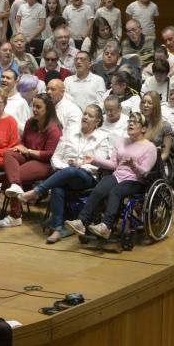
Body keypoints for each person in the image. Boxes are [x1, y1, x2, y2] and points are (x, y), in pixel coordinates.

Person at [18, 104, 109, 243]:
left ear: (97, 122)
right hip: (64, 173)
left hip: (87, 178)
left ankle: (37, 191)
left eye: (90, 116)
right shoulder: (70, 131)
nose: (85, 117)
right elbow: (55, 157)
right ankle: (57, 229)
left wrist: (79, 166)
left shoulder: (102, 138)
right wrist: (65, 168)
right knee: (58, 187)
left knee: (72, 172)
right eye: (85, 113)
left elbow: (97, 165)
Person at [66, 112, 157, 241]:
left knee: (115, 191)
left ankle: (106, 226)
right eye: (129, 121)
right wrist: (94, 160)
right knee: (100, 188)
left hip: (136, 180)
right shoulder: (121, 142)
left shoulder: (150, 147)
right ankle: (81, 222)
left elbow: (145, 172)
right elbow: (113, 164)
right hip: (118, 175)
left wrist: (134, 166)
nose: (130, 123)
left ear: (143, 128)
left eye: (135, 122)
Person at [0, 94, 61, 227]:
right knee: (9, 153)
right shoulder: (30, 122)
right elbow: (23, 142)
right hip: (28, 156)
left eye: (38, 107)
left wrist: (29, 151)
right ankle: (15, 185)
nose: (35, 110)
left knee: (14, 175)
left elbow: (50, 155)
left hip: (45, 163)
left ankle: (15, 215)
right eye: (33, 106)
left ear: (47, 109)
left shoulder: (54, 129)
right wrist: (19, 146)